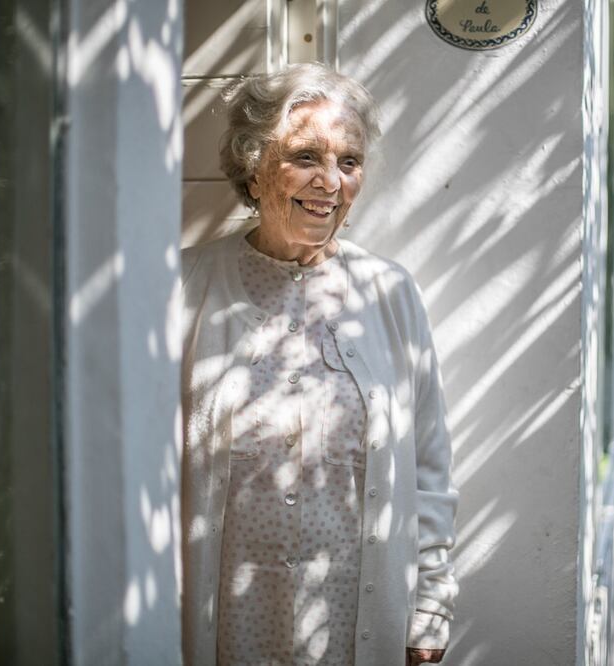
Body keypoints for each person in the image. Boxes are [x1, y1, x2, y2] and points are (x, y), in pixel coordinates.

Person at [179, 62, 458, 666]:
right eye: (305, 156)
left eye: (349, 162)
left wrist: (430, 610)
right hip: (224, 623)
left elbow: (429, 467)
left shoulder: (389, 293)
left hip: (353, 623)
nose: (330, 181)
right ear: (254, 170)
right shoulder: (184, 288)